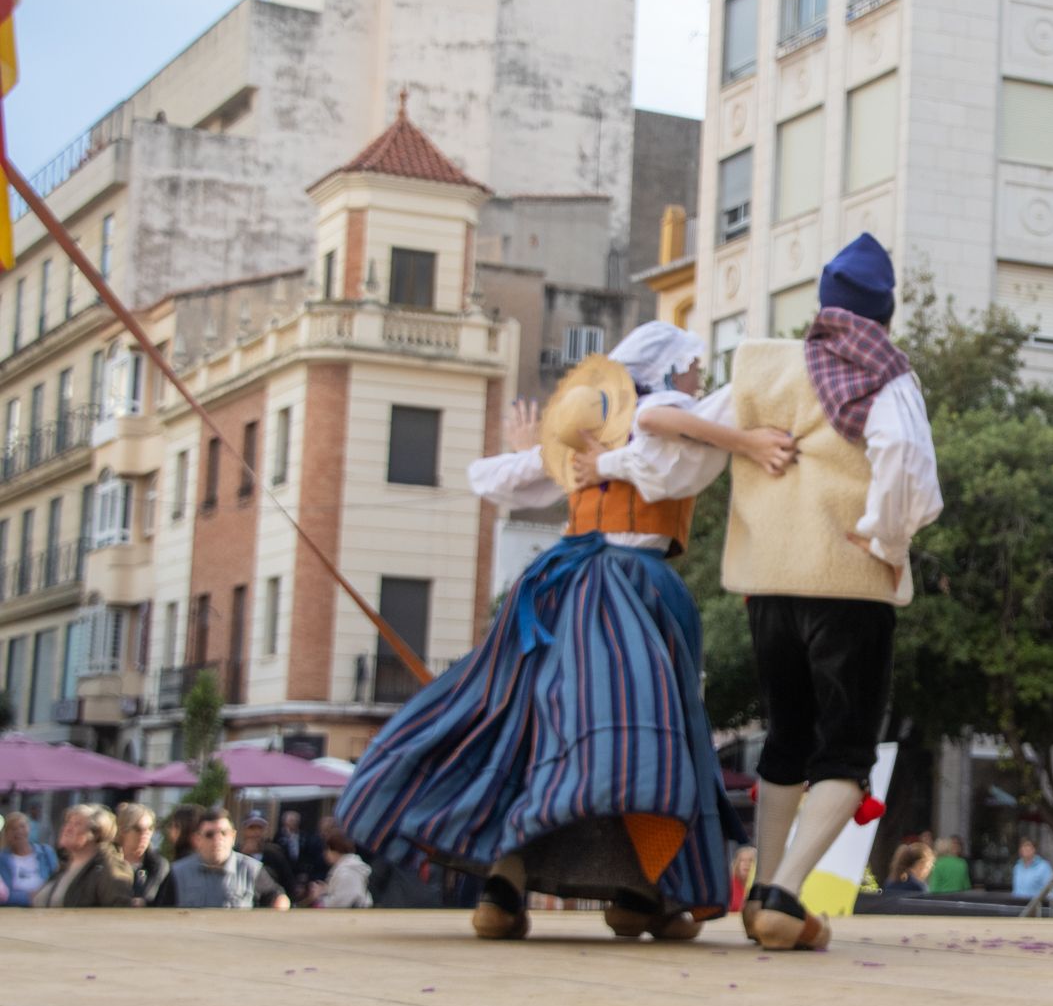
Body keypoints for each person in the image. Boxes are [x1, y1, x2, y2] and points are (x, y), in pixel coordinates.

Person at [340, 323, 780, 941]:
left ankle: (511, 881)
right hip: (626, 589)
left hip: (556, 587)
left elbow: (493, 479)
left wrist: (540, 443)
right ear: (668, 370)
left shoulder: (587, 431)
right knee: (639, 744)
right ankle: (641, 890)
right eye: (694, 366)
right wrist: (746, 438)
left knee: (534, 734)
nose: (698, 378)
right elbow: (661, 425)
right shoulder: (663, 410)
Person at [618, 234, 944, 953]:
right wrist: (886, 539)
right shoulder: (885, 374)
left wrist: (609, 460)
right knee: (846, 747)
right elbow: (906, 460)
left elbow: (684, 453)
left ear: (823, 304)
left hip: (766, 584)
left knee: (786, 737)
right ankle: (782, 893)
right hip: (847, 584)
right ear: (883, 315)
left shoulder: (761, 364)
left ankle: (763, 884)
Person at [155, 807, 290, 909]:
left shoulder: (252, 870)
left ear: (233, 837)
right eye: (210, 834)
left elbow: (277, 897)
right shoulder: (178, 872)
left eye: (223, 833)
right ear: (197, 839)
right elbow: (160, 912)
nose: (217, 839)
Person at [31, 804, 134, 908]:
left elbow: (119, 911)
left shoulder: (108, 868)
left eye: (77, 824)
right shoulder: (65, 866)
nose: (67, 829)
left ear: (95, 834)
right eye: (68, 823)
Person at [117, 803, 170, 906]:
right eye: (138, 829)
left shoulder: (158, 865)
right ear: (123, 830)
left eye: (150, 829)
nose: (144, 835)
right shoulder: (107, 862)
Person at [240, 815, 300, 905]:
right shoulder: (235, 853)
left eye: (259, 828)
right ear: (244, 831)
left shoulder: (274, 853)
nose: (256, 833)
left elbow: (288, 882)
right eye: (251, 828)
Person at [1, 811, 58, 908]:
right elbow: (3, 895)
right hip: (14, 909)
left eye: (22, 827)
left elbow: (56, 881)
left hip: (45, 906)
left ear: (29, 828)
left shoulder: (46, 852)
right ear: (6, 834)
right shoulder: (2, 858)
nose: (18, 831)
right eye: (13, 829)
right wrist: (28, 897)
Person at [313, 833, 374, 909]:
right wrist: (325, 890)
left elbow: (342, 901)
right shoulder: (345, 868)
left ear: (334, 851)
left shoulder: (347, 871)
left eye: (327, 850)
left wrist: (320, 899)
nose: (325, 854)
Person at [727, 845, 757, 913]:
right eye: (743, 860)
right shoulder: (729, 884)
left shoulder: (759, 886)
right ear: (737, 863)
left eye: (751, 860)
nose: (747, 864)